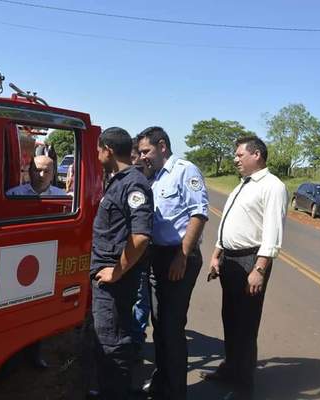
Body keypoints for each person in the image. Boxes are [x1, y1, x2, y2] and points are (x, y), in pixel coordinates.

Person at [203, 136, 288, 400]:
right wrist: (217, 253)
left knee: (247, 324)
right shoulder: (244, 184)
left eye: (240, 155)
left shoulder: (272, 186)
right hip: (229, 259)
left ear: (257, 155)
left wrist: (260, 268)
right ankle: (231, 368)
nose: (235, 159)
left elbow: (273, 232)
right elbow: (228, 221)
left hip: (251, 261)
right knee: (230, 317)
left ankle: (244, 385)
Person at [137, 126, 209, 400]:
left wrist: (183, 255)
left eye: (146, 151)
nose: (143, 156)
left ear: (162, 146)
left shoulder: (184, 170)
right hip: (157, 256)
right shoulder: (154, 176)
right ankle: (162, 379)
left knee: (172, 326)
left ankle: (176, 391)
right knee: (160, 324)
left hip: (179, 256)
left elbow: (198, 214)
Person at [90, 127, 153, 399]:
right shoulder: (119, 179)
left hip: (115, 279)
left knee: (113, 340)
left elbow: (140, 237)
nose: (97, 154)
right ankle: (109, 389)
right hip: (107, 275)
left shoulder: (133, 183)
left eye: (98, 149)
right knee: (107, 338)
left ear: (108, 149)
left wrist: (116, 272)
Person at [130, 138, 154, 349]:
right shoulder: (121, 179)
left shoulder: (148, 182)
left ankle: (136, 341)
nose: (134, 161)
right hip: (123, 251)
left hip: (142, 252)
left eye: (136, 156)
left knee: (140, 298)